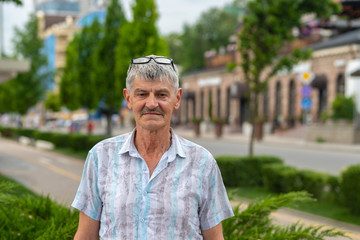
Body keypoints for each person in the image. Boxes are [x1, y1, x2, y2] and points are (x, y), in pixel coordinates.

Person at [72, 55, 234, 239]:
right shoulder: (100, 157)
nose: (151, 103)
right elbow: (85, 236)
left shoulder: (202, 163)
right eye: (142, 94)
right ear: (128, 98)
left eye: (161, 94)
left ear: (177, 98)